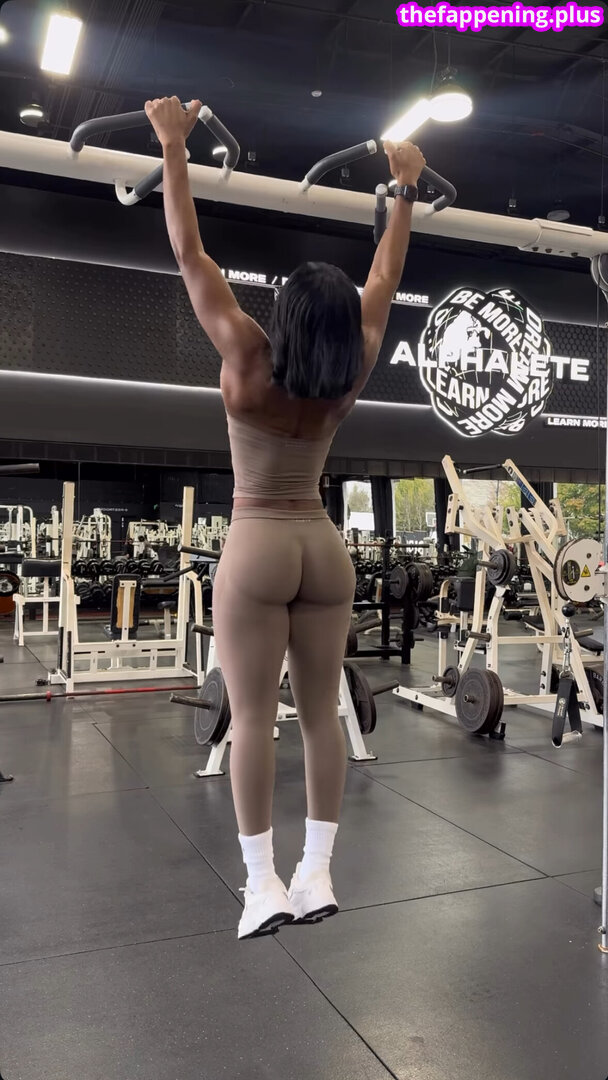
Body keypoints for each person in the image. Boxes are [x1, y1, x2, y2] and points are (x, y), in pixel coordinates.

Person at [145, 97, 425, 940]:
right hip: (322, 545)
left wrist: (173, 146)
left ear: (287, 318)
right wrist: (403, 188)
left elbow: (189, 251)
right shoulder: (355, 365)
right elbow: (384, 281)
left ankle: (261, 884)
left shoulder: (246, 356)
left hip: (259, 542)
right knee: (320, 716)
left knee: (253, 720)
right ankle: (317, 872)